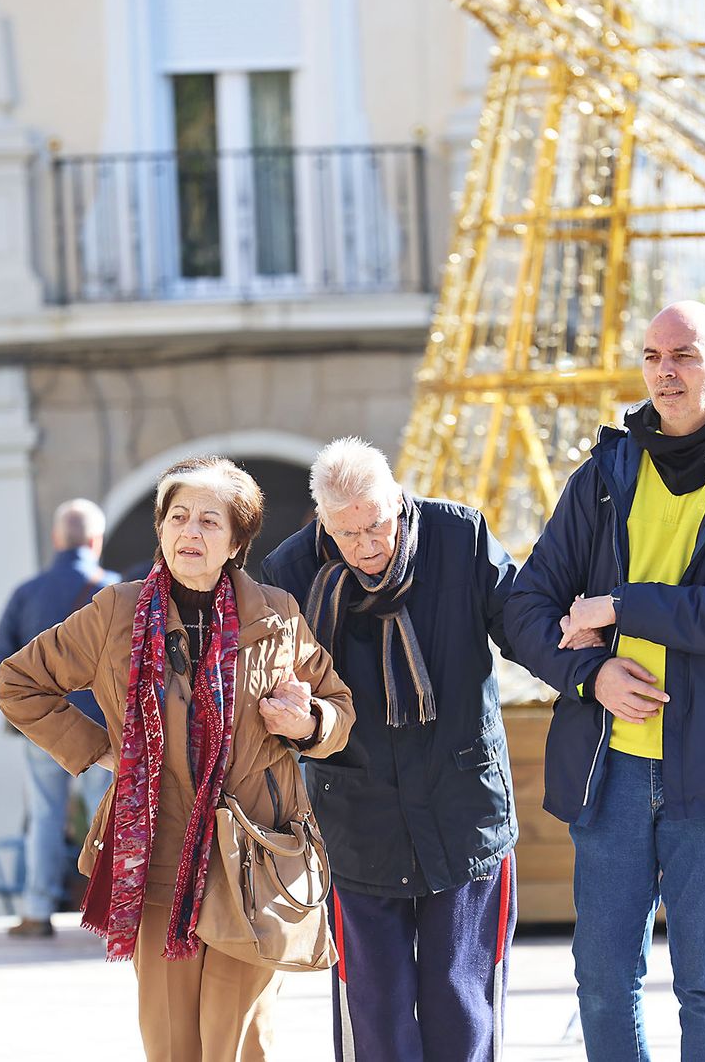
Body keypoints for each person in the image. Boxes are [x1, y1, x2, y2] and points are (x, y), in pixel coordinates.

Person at [505, 301, 705, 1061]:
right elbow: (525, 607)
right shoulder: (606, 476)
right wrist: (591, 674)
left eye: (684, 355)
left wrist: (619, 605)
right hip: (610, 768)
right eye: (652, 356)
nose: (665, 371)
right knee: (604, 979)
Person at [0, 456, 354, 1061]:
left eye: (210, 521)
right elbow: (18, 683)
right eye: (178, 517)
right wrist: (102, 751)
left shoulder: (277, 616)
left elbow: (339, 710)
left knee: (239, 1042)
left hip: (256, 860)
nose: (191, 531)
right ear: (160, 529)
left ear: (235, 542)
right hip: (158, 857)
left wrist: (309, 721)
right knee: (171, 1045)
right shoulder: (116, 612)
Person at [261, 437, 522, 1062]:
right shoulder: (290, 574)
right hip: (356, 823)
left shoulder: (459, 539)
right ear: (324, 523)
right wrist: (293, 715)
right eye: (347, 533)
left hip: (464, 819)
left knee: (462, 1012)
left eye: (377, 524)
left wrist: (589, 665)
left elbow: (525, 624)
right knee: (375, 1021)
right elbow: (269, 685)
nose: (367, 546)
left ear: (398, 502)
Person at [0, 498, 120, 937]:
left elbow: (0, 662)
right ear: (96, 541)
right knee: (110, 817)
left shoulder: (27, 592)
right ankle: (114, 910)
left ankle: (37, 910)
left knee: (44, 816)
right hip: (105, 729)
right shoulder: (114, 592)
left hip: (45, 730)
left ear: (56, 539)